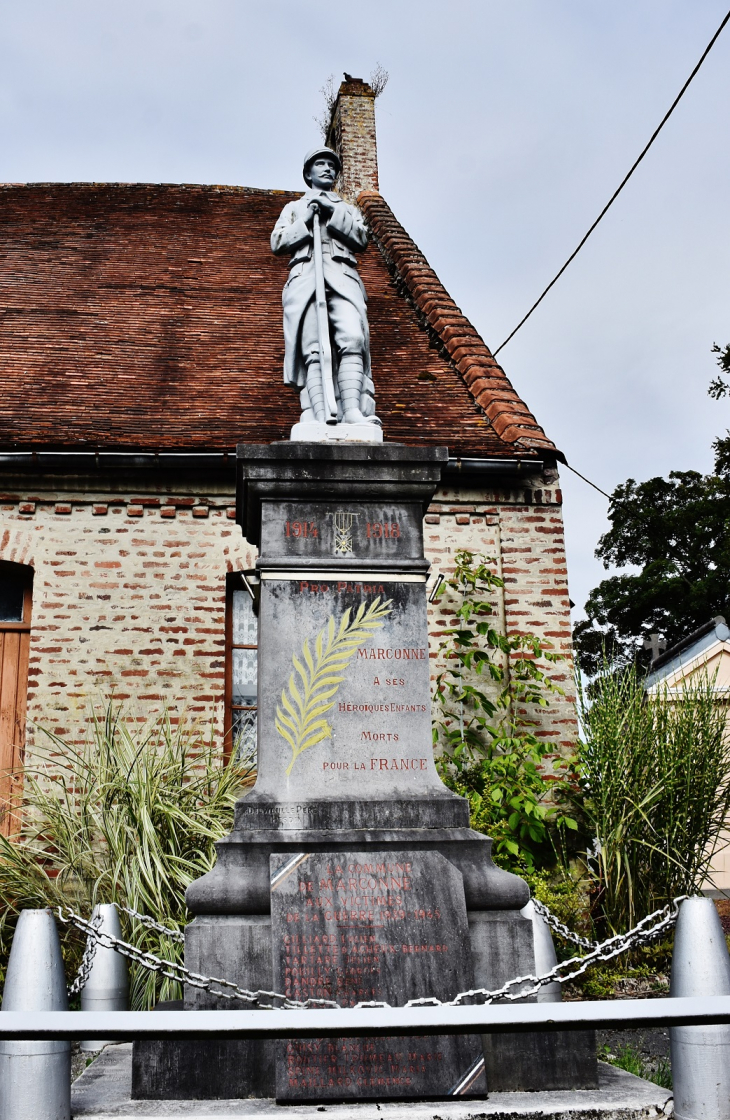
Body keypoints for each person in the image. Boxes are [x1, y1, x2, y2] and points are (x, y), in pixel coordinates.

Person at [270, 147, 379, 427]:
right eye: (320, 164)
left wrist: (332, 212)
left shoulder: (348, 209)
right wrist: (307, 219)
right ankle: (319, 414)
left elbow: (361, 239)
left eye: (331, 165)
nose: (327, 169)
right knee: (313, 348)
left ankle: (352, 410)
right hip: (306, 278)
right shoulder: (294, 208)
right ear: (308, 173)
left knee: (354, 339)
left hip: (342, 277)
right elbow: (277, 243)